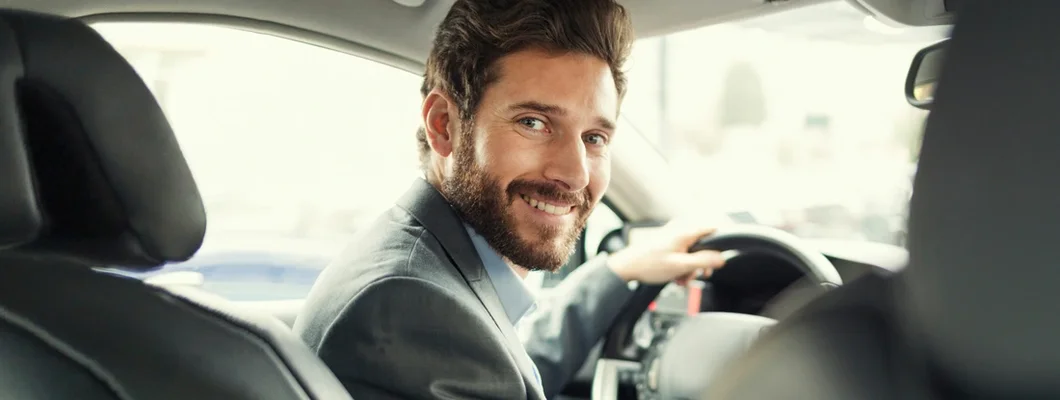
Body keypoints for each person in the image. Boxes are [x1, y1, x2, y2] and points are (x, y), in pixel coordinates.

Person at [293, 1, 726, 398]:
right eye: (534, 123)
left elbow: (502, 369)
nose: (574, 174)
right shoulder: (406, 308)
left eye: (594, 137)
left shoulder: (425, 274)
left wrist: (617, 271)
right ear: (444, 126)